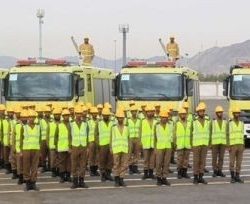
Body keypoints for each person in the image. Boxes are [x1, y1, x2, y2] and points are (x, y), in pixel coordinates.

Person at [21, 110, 41, 191]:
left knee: (34, 167)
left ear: (35, 118)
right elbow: (21, 139)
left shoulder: (38, 127)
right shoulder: (24, 127)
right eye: (30, 117)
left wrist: (39, 150)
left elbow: (39, 139)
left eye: (33, 117)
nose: (32, 118)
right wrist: (20, 151)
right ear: (28, 118)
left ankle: (33, 183)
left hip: (36, 149)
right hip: (26, 150)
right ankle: (27, 184)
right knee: (26, 167)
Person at [70, 106, 89, 189]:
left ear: (82, 114)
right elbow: (69, 136)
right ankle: (75, 182)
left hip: (83, 146)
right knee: (74, 164)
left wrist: (87, 147)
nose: (78, 115)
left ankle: (81, 181)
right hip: (75, 146)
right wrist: (69, 147)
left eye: (80, 113)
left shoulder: (85, 124)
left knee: (82, 164)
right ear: (75, 114)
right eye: (77, 113)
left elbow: (87, 136)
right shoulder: (71, 124)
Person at [192, 103, 211, 184]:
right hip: (196, 144)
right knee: (196, 161)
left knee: (203, 161)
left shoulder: (207, 121)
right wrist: (191, 144)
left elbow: (209, 132)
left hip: (204, 144)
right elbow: (190, 134)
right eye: (200, 111)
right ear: (197, 112)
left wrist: (209, 143)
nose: (202, 113)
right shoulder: (194, 121)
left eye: (203, 111)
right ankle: (195, 177)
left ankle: (201, 177)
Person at [111, 110, 129, 187]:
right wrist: (111, 148)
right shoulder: (113, 127)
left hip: (124, 148)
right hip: (116, 148)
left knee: (124, 165)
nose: (121, 119)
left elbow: (129, 139)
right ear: (117, 118)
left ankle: (121, 179)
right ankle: (116, 179)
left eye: (122, 118)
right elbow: (111, 138)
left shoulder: (126, 127)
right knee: (116, 165)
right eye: (119, 118)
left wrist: (129, 149)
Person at [95, 108, 113, 182]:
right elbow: (96, 134)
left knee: (110, 160)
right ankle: (103, 175)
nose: (106, 116)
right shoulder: (99, 123)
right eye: (104, 115)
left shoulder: (112, 123)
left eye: (107, 115)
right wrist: (98, 143)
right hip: (102, 145)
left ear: (109, 115)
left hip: (110, 145)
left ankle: (108, 174)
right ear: (102, 115)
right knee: (102, 160)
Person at [154, 110, 172, 186]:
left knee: (166, 163)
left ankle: (164, 178)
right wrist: (155, 147)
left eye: (166, 117)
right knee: (158, 163)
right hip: (159, 147)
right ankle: (158, 178)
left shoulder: (170, 125)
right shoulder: (157, 126)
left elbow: (172, 136)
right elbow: (154, 137)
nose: (164, 118)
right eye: (163, 117)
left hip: (168, 147)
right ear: (160, 118)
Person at [174, 108, 192, 179]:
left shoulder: (189, 123)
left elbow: (191, 134)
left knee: (186, 160)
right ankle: (179, 173)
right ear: (179, 115)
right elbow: (174, 134)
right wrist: (175, 144)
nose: (183, 115)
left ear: (186, 115)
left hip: (187, 145)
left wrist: (191, 143)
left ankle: (185, 173)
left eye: (184, 114)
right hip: (180, 145)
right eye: (182, 114)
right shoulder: (177, 123)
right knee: (179, 160)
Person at [141, 105, 157, 180]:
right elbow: (139, 132)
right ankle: (145, 174)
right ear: (146, 112)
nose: (150, 113)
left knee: (152, 160)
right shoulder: (143, 121)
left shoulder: (156, 121)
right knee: (146, 159)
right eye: (149, 112)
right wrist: (140, 142)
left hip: (154, 143)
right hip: (145, 143)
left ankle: (151, 173)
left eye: (152, 111)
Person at [228, 107, 244, 183]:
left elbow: (242, 134)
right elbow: (227, 135)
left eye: (238, 113)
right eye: (236, 113)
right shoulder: (230, 123)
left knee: (239, 162)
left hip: (240, 145)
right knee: (232, 162)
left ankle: (237, 176)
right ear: (233, 114)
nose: (237, 114)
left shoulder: (241, 123)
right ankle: (232, 177)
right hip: (233, 145)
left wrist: (243, 145)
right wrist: (228, 145)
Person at [55, 109, 71, 183]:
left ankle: (68, 176)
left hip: (69, 147)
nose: (66, 117)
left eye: (67, 116)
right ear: (63, 117)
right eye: (65, 116)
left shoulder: (71, 125)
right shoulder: (59, 125)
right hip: (61, 147)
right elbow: (56, 136)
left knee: (69, 163)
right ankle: (62, 177)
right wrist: (56, 146)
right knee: (61, 163)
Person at [211, 106, 227, 177]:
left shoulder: (225, 121)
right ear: (216, 113)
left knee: (221, 158)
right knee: (214, 158)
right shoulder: (213, 122)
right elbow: (210, 132)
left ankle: (220, 171)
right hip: (215, 143)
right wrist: (210, 143)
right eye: (219, 112)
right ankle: (215, 171)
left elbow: (227, 132)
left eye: (221, 112)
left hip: (223, 142)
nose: (220, 114)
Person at [14, 109, 29, 185]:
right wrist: (14, 148)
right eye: (23, 117)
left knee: (26, 164)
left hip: (27, 148)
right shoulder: (17, 126)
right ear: (20, 118)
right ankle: (20, 178)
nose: (24, 119)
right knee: (19, 164)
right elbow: (13, 137)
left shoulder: (29, 127)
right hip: (18, 148)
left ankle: (26, 178)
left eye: (26, 117)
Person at [127, 105, 141, 174]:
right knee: (129, 154)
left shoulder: (139, 120)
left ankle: (135, 168)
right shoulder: (128, 120)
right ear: (131, 112)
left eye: (135, 111)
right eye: (133, 111)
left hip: (137, 139)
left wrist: (140, 140)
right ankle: (130, 168)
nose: (134, 113)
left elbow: (141, 130)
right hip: (130, 139)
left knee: (136, 154)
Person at [48, 107, 61, 178]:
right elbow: (47, 136)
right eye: (56, 114)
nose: (57, 116)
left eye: (58, 114)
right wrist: (48, 144)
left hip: (60, 145)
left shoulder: (62, 124)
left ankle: (59, 170)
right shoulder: (50, 124)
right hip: (52, 145)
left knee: (59, 159)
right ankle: (53, 171)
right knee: (53, 160)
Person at [88, 107, 100, 176]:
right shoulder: (89, 122)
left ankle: (95, 170)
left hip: (97, 141)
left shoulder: (99, 122)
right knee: (91, 156)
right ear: (91, 114)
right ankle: (92, 170)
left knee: (97, 157)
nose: (95, 115)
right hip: (91, 141)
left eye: (96, 113)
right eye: (93, 113)